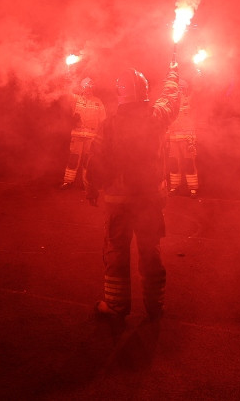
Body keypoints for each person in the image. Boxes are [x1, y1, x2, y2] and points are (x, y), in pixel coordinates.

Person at [86, 61, 181, 321]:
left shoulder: (109, 125)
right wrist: (173, 71)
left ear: (120, 93)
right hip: (150, 201)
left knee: (116, 250)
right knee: (150, 250)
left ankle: (117, 306)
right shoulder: (158, 116)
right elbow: (172, 98)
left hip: (119, 202)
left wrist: (92, 187)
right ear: (146, 92)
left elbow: (96, 161)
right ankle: (155, 306)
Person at [60, 77, 107, 190]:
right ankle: (68, 181)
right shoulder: (76, 99)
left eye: (91, 87)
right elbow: (66, 93)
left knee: (87, 161)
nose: (89, 89)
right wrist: (68, 75)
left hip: (91, 137)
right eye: (86, 86)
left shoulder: (98, 102)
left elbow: (104, 120)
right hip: (77, 135)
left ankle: (86, 183)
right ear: (82, 87)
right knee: (73, 158)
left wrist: (101, 136)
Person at [165, 78, 198, 196]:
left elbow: (198, 89)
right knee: (174, 162)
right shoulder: (170, 103)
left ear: (185, 89)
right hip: (173, 138)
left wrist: (198, 74)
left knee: (189, 162)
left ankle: (193, 188)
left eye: (181, 88)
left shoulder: (190, 100)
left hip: (187, 137)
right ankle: (175, 186)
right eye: (177, 88)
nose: (179, 91)